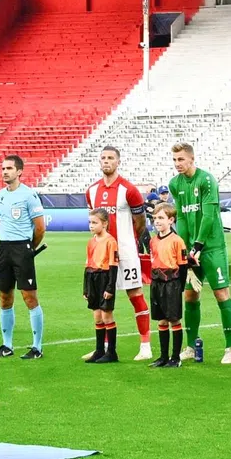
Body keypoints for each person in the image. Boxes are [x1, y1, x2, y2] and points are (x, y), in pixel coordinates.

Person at [170, 142, 231, 364]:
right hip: (192, 250)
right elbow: (181, 216)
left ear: (191, 159)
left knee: (221, 293)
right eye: (175, 160)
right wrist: (185, 247)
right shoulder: (174, 184)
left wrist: (197, 245)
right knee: (190, 295)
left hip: (212, 248)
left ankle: (230, 348)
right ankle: (190, 345)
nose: (177, 164)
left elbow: (208, 216)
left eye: (181, 159)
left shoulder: (206, 179)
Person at [87, 147, 151, 361]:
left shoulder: (128, 190)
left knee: (135, 295)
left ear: (118, 162)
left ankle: (145, 345)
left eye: (111, 158)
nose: (106, 161)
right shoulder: (92, 190)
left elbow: (140, 221)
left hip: (125, 252)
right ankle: (104, 347)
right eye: (103, 157)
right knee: (102, 300)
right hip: (102, 255)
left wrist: (130, 241)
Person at [0, 154, 47, 359]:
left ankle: (37, 347)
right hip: (3, 248)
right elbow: (1, 220)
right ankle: (7, 345)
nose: (5, 171)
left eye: (9, 168)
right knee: (5, 297)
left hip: (22, 249)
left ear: (19, 171)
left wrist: (28, 249)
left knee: (29, 297)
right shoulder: (0, 195)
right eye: (3, 168)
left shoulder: (29, 195)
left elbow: (40, 228)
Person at [148, 205, 189, 368]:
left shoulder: (177, 241)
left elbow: (183, 265)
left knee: (174, 319)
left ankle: (175, 357)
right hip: (156, 283)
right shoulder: (153, 241)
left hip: (172, 284)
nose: (157, 221)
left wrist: (180, 287)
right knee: (161, 320)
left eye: (161, 218)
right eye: (155, 218)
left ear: (171, 220)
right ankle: (163, 356)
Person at [84, 207, 120, 363]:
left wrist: (110, 287)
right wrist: (86, 288)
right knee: (97, 316)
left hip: (104, 279)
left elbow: (113, 265)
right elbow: (87, 264)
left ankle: (111, 352)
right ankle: (99, 350)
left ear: (104, 223)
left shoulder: (111, 241)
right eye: (90, 222)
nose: (91, 225)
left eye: (94, 222)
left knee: (106, 315)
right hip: (92, 278)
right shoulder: (91, 241)